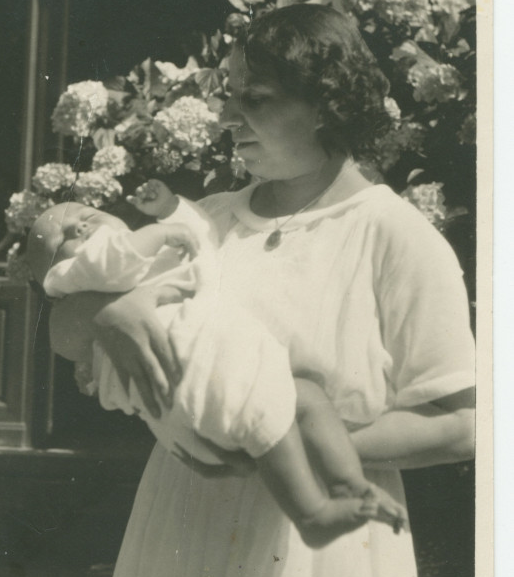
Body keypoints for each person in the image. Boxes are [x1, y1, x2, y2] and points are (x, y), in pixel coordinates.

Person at [50, 4, 475, 577]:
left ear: (325, 104)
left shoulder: (394, 237)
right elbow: (65, 324)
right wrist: (109, 318)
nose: (228, 117)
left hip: (314, 552)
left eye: (257, 99)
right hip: (184, 525)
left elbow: (462, 424)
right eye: (228, 96)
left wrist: (285, 438)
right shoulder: (208, 220)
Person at [27, 186, 407, 547]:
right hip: (199, 371)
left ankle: (347, 485)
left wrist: (171, 209)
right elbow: (108, 267)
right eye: (62, 238)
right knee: (276, 407)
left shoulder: (138, 255)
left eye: (86, 215)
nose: (78, 226)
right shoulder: (85, 268)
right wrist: (161, 231)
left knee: (306, 396)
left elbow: (198, 238)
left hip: (203, 400)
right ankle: (312, 513)